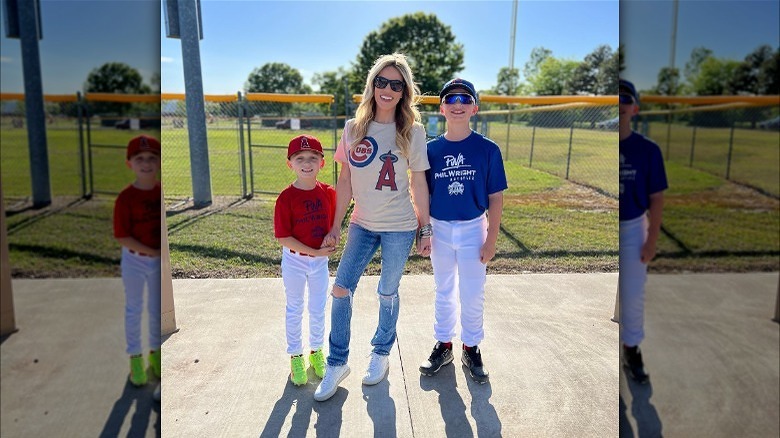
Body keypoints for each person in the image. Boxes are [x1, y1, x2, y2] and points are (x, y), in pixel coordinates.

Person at [314, 53, 431, 402]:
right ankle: (337, 363)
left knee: (387, 292)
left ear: (404, 92)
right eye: (382, 81)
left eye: (396, 84)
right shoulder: (353, 129)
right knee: (341, 289)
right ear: (372, 85)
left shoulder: (413, 132)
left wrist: (425, 228)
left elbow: (419, 183)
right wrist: (335, 225)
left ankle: (380, 353)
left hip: (399, 226)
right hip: (362, 224)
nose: (388, 89)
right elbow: (345, 180)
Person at [418, 79, 507, 384]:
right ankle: (444, 345)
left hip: (473, 228)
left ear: (474, 108)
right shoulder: (431, 150)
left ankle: (471, 347)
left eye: (465, 99)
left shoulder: (488, 149)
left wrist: (491, 240)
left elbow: (496, 197)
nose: (458, 104)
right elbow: (422, 195)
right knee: (443, 290)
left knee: (472, 291)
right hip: (440, 227)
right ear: (442, 108)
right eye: (451, 99)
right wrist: (424, 231)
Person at [273, 134, 336, 386]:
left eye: (313, 157)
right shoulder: (286, 198)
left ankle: (316, 351)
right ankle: (296, 355)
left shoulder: (329, 193)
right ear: (290, 164)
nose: (307, 163)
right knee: (295, 307)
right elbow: (283, 238)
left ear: (322, 162)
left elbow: (333, 224)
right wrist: (315, 252)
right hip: (295, 261)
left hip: (319, 262)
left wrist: (332, 238)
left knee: (318, 307)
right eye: (300, 158)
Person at [618, 79, 668, 384]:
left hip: (633, 227)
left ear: (634, 108)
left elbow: (657, 198)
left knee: (634, 294)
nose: (619, 103)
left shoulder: (648, 150)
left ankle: (631, 348)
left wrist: (651, 241)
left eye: (625, 98)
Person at [113, 135, 162, 387]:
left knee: (155, 309)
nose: (146, 163)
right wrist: (152, 252)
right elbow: (122, 236)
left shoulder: (161, 192)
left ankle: (155, 353)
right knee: (134, 308)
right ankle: (135, 357)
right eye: (139, 158)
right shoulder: (125, 198)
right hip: (135, 260)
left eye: (152, 157)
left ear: (159, 162)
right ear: (129, 163)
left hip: (157, 261)